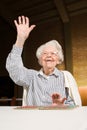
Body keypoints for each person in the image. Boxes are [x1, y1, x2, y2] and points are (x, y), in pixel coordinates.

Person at [6, 16, 82, 107]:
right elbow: (14, 70)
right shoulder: (32, 77)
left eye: (53, 53)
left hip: (58, 120)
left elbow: (74, 104)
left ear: (58, 60)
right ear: (40, 60)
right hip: (34, 120)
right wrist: (20, 40)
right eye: (45, 53)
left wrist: (62, 106)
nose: (49, 55)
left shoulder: (65, 77)